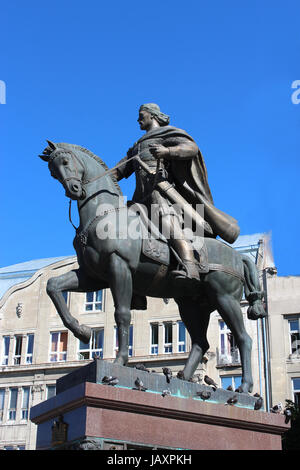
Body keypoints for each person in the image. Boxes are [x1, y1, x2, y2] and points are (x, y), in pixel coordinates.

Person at [112, 103, 239, 281]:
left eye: (142, 115)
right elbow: (118, 171)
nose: (138, 119)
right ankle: (135, 287)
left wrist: (167, 151)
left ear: (153, 116)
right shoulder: (136, 147)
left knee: (166, 218)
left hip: (161, 192)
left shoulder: (167, 134)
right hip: (140, 198)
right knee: (121, 225)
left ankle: (189, 265)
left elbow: (191, 148)